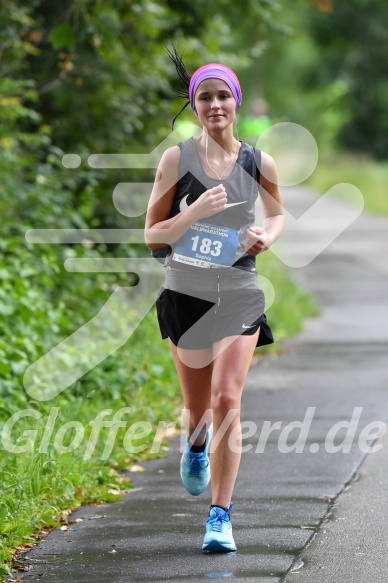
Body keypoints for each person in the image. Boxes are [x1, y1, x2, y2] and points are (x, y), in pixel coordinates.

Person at [144, 46, 285, 553]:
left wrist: (266, 236)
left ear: (236, 101)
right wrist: (195, 210)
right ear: (194, 105)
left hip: (239, 293)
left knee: (229, 400)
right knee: (199, 410)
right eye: (205, 97)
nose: (215, 104)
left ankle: (220, 517)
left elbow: (276, 213)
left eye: (223, 94)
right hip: (186, 293)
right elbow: (153, 236)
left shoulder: (257, 160)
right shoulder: (176, 159)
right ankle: (196, 445)